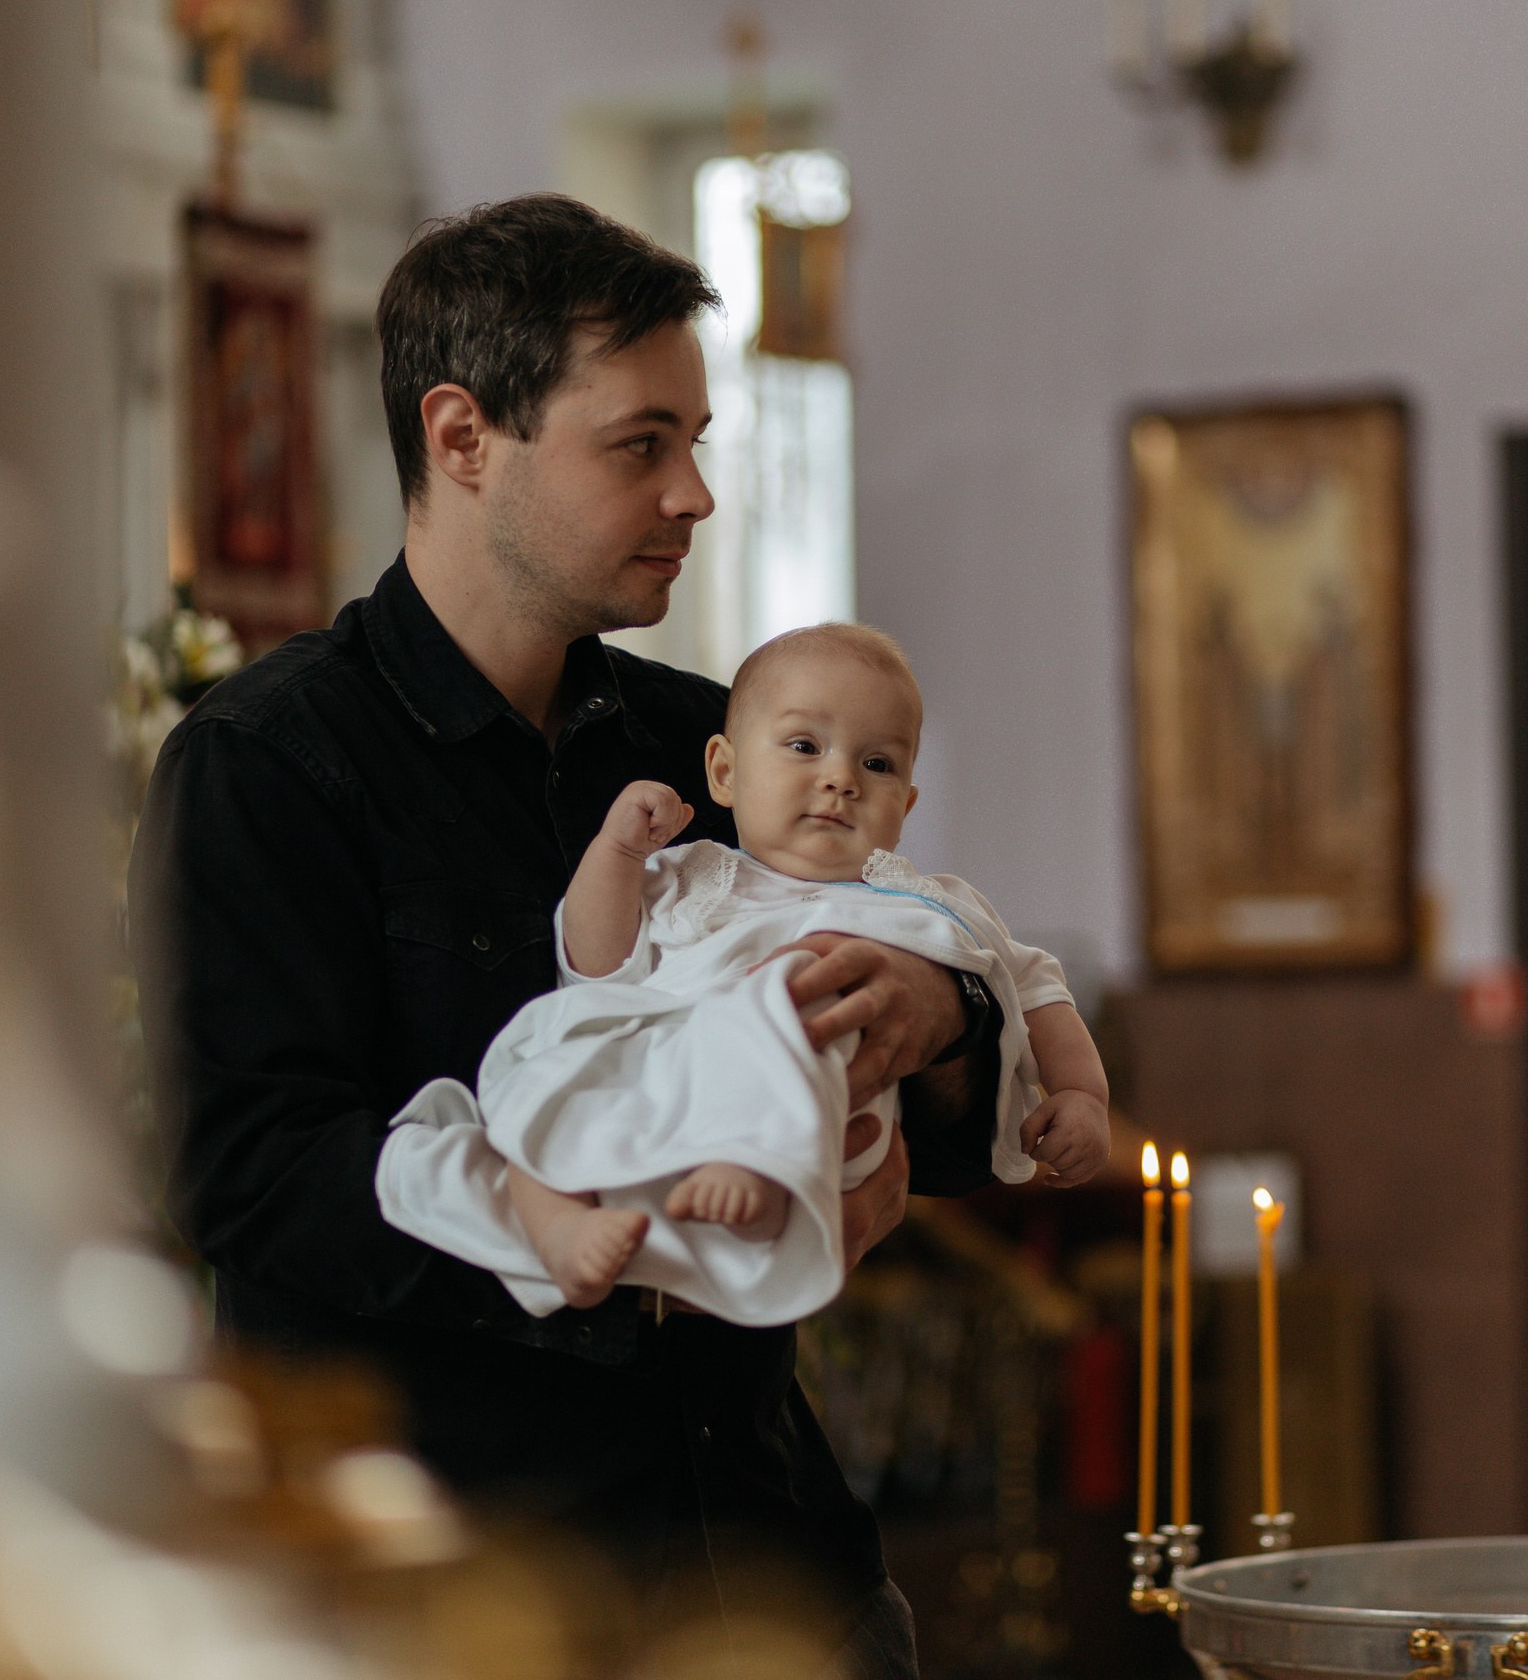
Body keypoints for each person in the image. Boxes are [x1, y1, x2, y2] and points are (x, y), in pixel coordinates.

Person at [128, 194, 1004, 1677]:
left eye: (697, 442)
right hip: (458, 1593)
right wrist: (598, 1239)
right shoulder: (267, 761)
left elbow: (927, 1041)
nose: (694, 495)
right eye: (641, 443)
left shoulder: (714, 738)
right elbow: (251, 1173)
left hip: (773, 1562)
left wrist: (937, 1015)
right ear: (464, 437)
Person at [377, 623, 1114, 1326]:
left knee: (787, 994)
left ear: (907, 804)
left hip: (814, 1130)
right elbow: (598, 966)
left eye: (877, 764)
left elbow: (1035, 984)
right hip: (656, 1099)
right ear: (725, 772)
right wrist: (618, 851)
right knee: (545, 1054)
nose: (839, 779)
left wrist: (1080, 1091)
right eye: (804, 745)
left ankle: (756, 1179)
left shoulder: (926, 905)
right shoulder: (693, 874)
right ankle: (556, 1226)